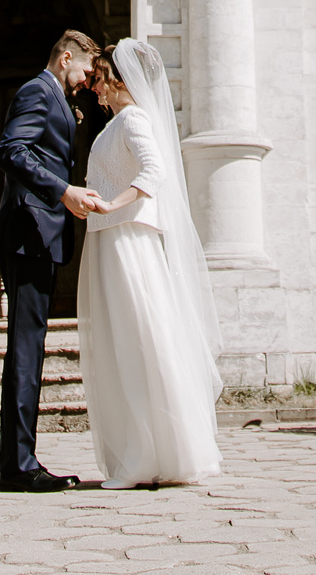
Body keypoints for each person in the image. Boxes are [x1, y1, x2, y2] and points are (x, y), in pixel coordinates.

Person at [77, 37, 223, 488]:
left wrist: (111, 205)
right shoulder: (118, 122)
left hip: (126, 239)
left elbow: (153, 169)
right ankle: (144, 453)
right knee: (121, 343)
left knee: (136, 339)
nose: (94, 89)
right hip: (110, 239)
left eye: (100, 80)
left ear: (121, 81)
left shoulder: (134, 118)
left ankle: (147, 455)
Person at [0, 29, 102, 492]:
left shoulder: (53, 95)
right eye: (84, 71)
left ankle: (21, 461)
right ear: (65, 57)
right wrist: (63, 190)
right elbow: (10, 150)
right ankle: (19, 467)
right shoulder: (38, 90)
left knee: (30, 347)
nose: (86, 80)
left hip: (38, 235)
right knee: (25, 348)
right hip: (28, 232)